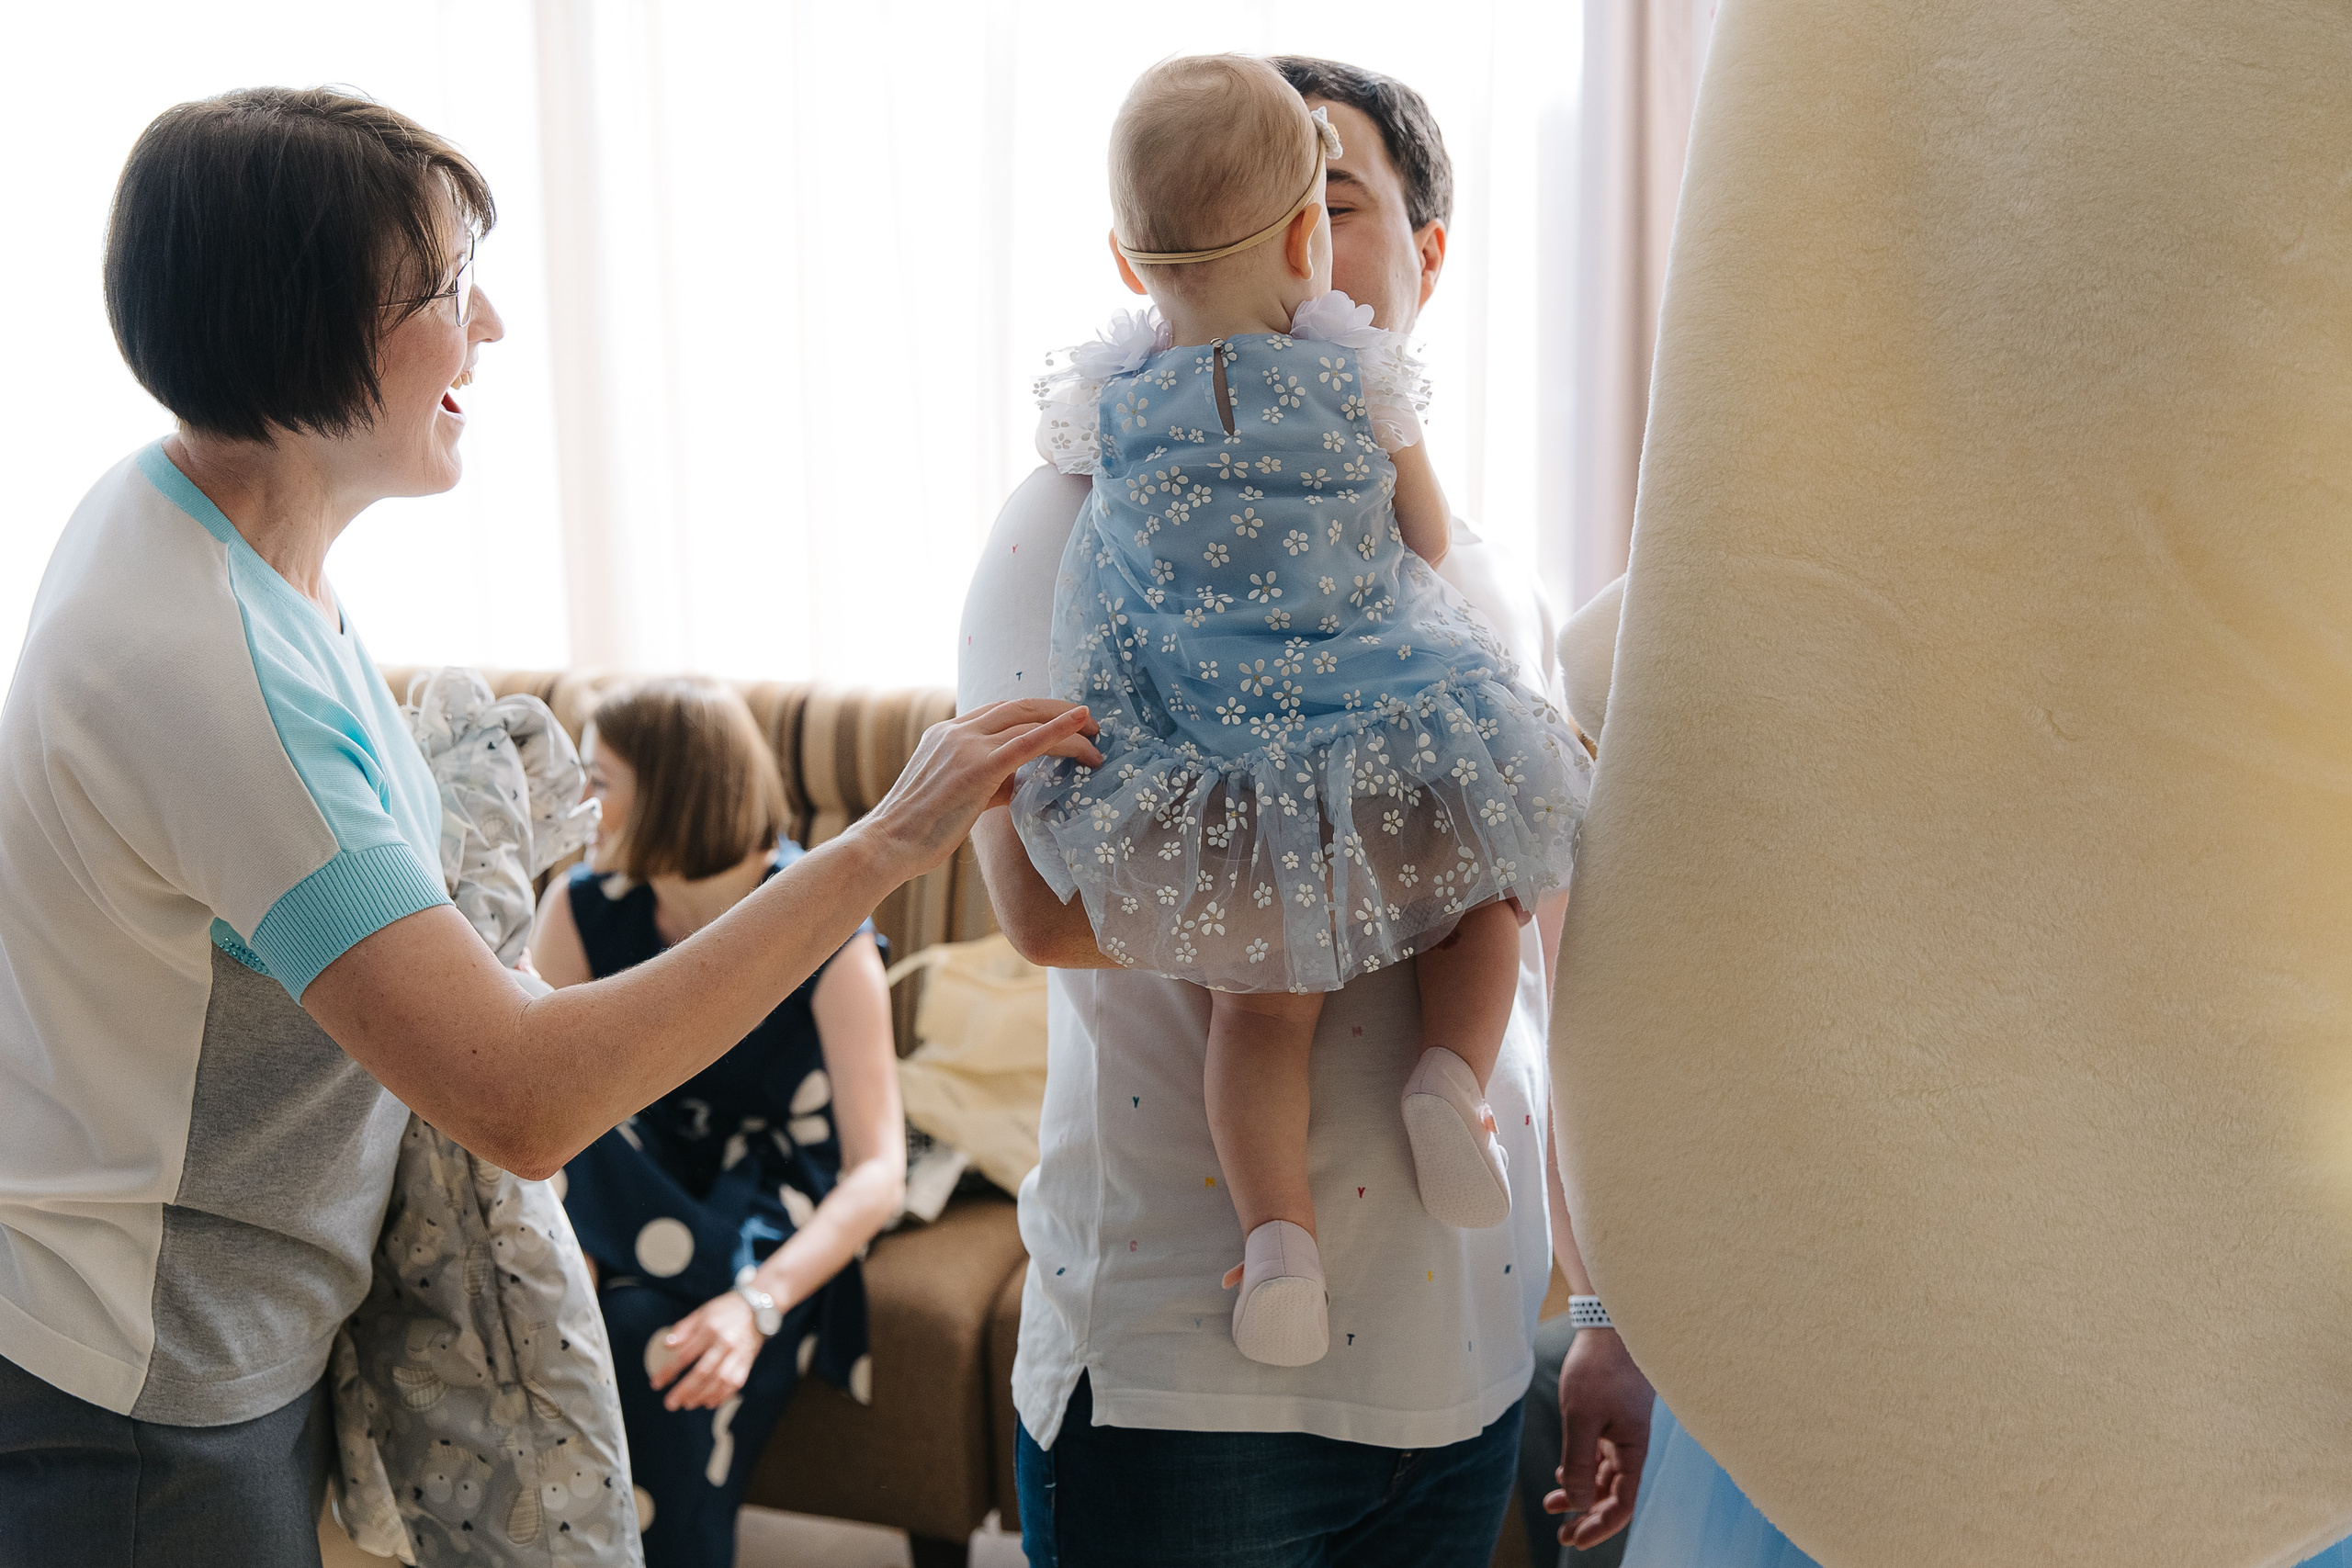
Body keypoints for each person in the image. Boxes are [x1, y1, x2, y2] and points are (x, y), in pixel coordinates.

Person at [0, 87, 1094, 1568]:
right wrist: (880, 847)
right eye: (449, 288)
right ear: (306, 322)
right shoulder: (209, 669)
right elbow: (520, 1095)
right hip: (148, 1380)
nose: (493, 324)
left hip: (200, 1329)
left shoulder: (196, 525)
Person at [962, 54, 1647, 1568]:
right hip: (1182, 1391)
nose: (1300, 246)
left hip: (1461, 1376)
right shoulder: (1073, 512)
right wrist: (1365, 868)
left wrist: (1599, 1313)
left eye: (1339, 203)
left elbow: (1558, 962)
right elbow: (1040, 909)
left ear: (1426, 254)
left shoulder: (1484, 574)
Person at [528, 678, 904, 1568]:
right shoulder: (581, 909)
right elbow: (540, 1105)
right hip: (639, 1177)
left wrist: (755, 1304)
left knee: (652, 1341)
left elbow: (878, 1171)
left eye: (600, 780)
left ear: (671, 790)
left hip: (774, 1198)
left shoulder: (822, 924)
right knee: (563, 1125)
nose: (583, 804)